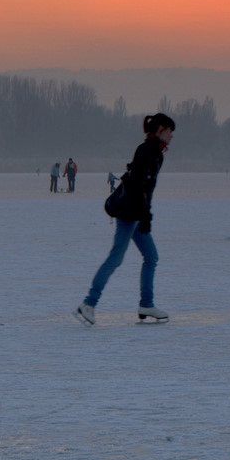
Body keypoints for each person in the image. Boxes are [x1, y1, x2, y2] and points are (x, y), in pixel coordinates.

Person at [77, 113, 176, 325]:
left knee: (151, 256)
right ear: (160, 130)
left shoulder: (155, 153)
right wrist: (145, 213)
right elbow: (139, 185)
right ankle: (89, 303)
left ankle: (146, 304)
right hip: (130, 213)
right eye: (169, 131)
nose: (171, 136)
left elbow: (146, 188)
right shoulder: (148, 152)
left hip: (138, 213)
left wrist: (145, 214)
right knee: (116, 258)